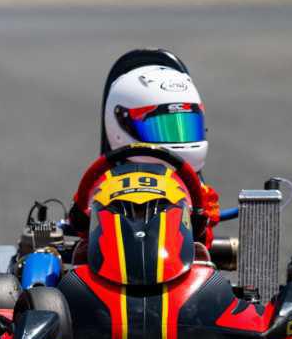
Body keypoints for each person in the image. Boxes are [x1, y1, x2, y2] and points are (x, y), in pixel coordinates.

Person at [68, 48, 221, 245]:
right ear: (121, 122)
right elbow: (79, 222)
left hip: (179, 263)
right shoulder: (101, 184)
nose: (179, 140)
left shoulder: (199, 193)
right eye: (162, 127)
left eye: (187, 125)